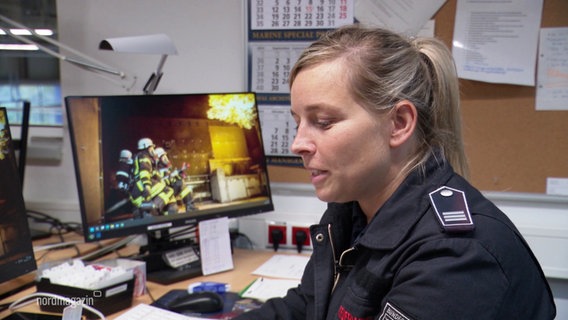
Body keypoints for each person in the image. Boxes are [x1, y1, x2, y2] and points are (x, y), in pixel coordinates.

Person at [235, 24, 556, 319]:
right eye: (297, 122)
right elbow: (307, 306)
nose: (298, 144)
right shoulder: (352, 212)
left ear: (399, 123)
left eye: (323, 122)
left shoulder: (457, 257)